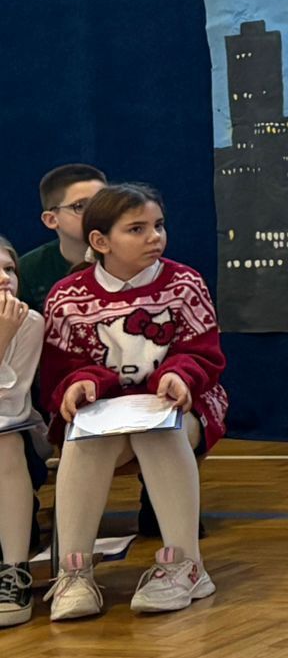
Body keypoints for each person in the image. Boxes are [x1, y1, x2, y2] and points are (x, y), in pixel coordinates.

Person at [38, 184, 228, 619]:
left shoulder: (184, 283)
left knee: (157, 430)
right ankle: (74, 570)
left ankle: (186, 564)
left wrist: (179, 375)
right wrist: (81, 383)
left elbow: (204, 354)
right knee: (84, 436)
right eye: (137, 229)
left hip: (181, 406)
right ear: (100, 241)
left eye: (158, 225)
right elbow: (61, 371)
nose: (154, 237)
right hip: (106, 415)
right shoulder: (67, 297)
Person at [0, 237, 46, 628]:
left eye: (9, 269)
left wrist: (3, 338)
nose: (4, 279)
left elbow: (10, 405)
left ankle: (15, 573)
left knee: (6, 442)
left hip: (13, 437)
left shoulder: (29, 323)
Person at [16, 164, 105, 312]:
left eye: (103, 202)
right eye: (80, 206)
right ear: (51, 219)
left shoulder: (131, 256)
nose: (97, 212)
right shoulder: (28, 270)